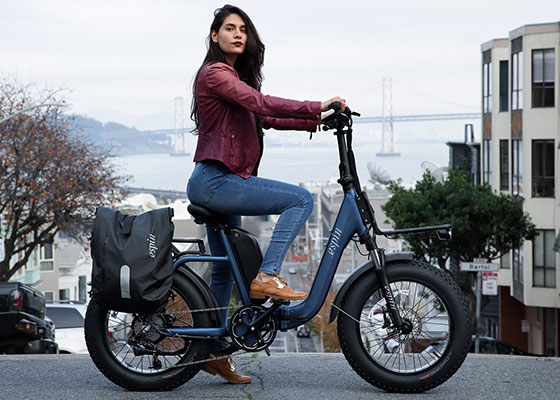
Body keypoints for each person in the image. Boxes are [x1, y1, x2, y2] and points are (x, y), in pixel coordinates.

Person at [187, 4, 345, 384]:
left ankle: (213, 351)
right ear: (215, 36)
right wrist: (316, 103)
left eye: (243, 29)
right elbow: (260, 103)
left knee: (223, 271)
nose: (238, 34)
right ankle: (268, 275)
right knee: (300, 199)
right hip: (216, 180)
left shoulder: (234, 81)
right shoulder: (215, 75)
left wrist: (319, 120)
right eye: (229, 28)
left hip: (219, 181)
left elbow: (268, 117)